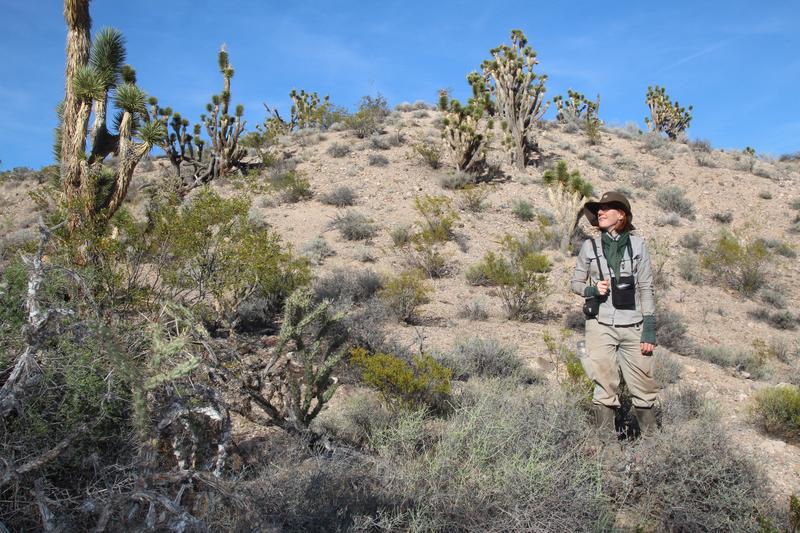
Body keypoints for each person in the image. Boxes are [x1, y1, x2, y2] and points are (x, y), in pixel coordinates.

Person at [570, 191, 658, 437]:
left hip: (635, 325)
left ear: (621, 215)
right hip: (600, 325)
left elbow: (646, 289)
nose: (600, 211)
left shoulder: (639, 246)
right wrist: (591, 289)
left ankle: (653, 448)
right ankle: (606, 450)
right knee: (603, 384)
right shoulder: (590, 247)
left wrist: (649, 329)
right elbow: (575, 283)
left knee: (643, 386)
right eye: (599, 208)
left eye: (607, 208)